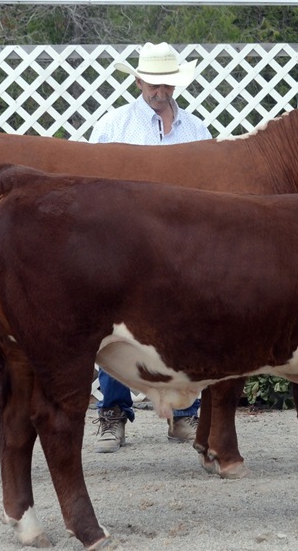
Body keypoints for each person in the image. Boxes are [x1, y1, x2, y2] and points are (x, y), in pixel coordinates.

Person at [86, 42, 209, 453]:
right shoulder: (112, 128)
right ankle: (113, 414)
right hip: (126, 245)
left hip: (182, 247)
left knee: (186, 328)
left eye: (166, 83)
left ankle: (184, 415)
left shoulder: (196, 131)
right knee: (117, 331)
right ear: (138, 81)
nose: (160, 90)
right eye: (153, 82)